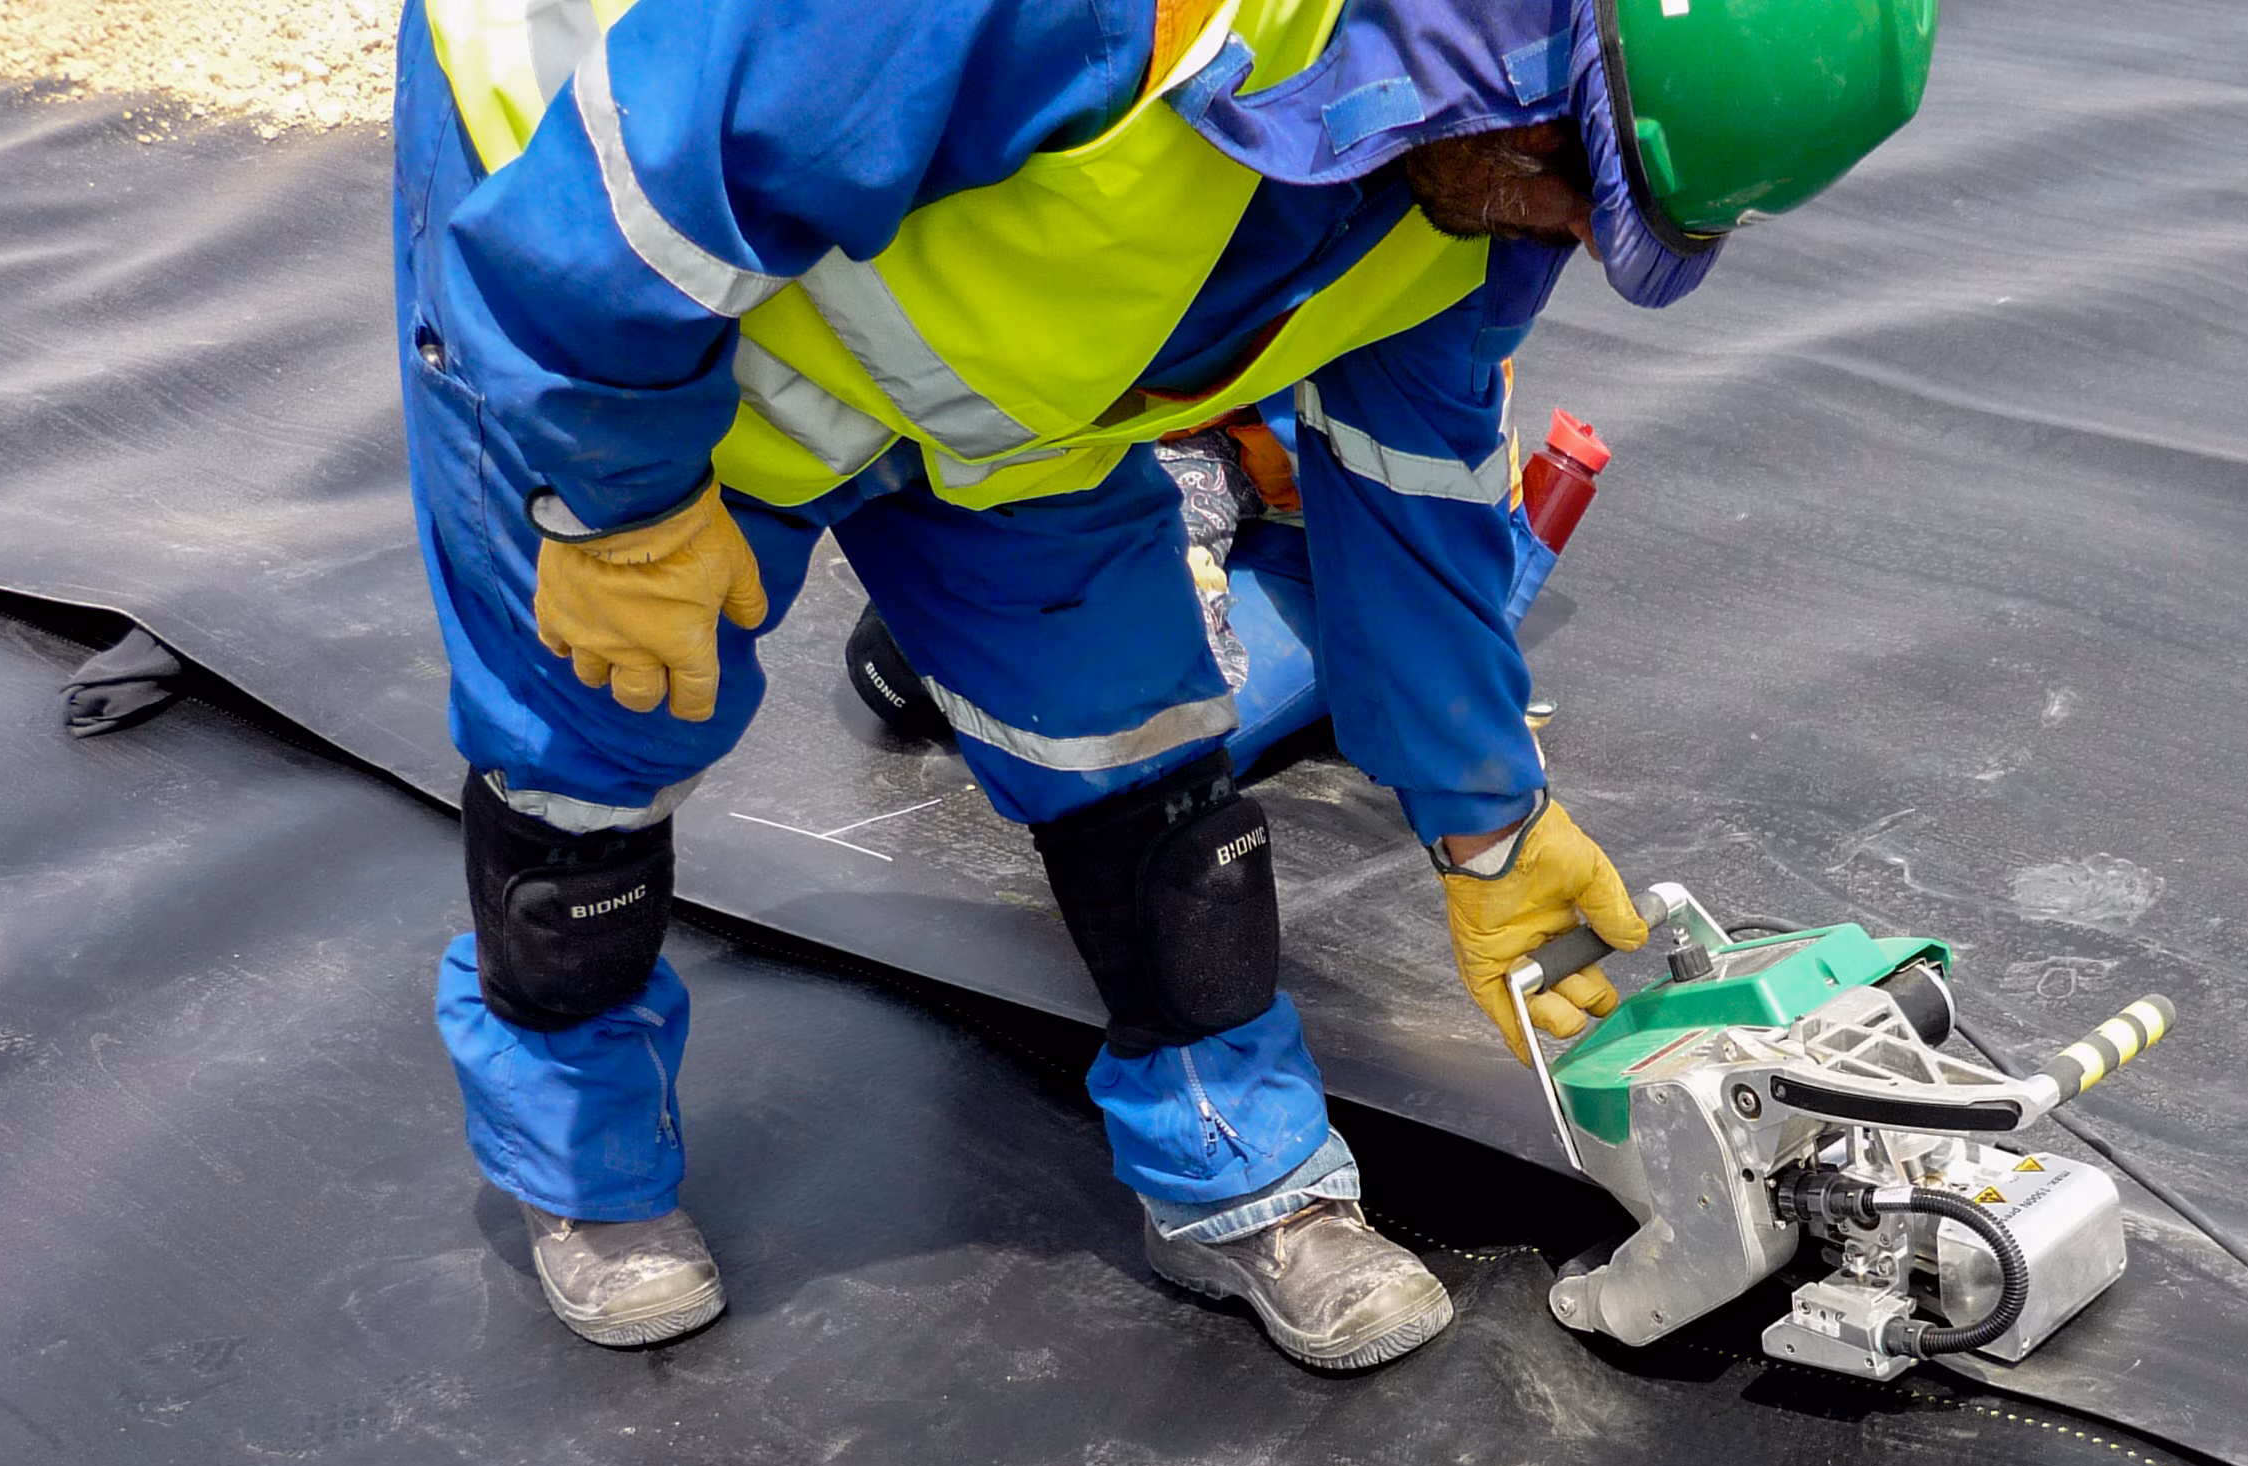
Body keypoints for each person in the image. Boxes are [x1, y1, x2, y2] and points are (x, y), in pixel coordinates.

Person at [396, 0, 1933, 1367]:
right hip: (612, 300)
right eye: (1574, 168)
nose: (1584, 235)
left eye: (1632, 211)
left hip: (992, 404)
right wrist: (604, 499)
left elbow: (1411, 478)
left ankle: (1241, 1180)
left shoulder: (1478, 197)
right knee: (580, 766)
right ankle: (584, 1181)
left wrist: (1490, 818)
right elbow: (635, 190)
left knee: (1145, 757)